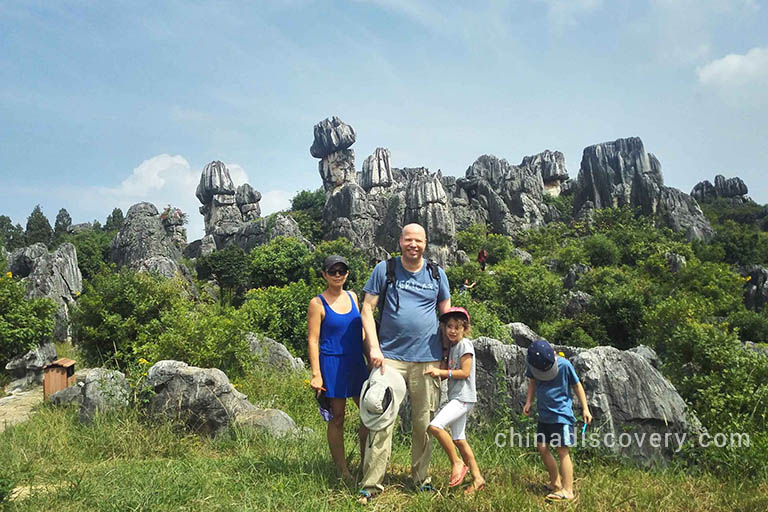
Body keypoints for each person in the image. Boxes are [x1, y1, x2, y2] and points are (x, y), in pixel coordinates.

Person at [357, 223, 451, 503]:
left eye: (418, 240)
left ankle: (421, 478)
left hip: (428, 359)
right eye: (409, 240)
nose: (413, 245)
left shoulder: (436, 273)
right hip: (390, 359)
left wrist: (447, 356)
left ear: (425, 243)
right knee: (380, 414)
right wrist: (373, 347)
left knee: (425, 423)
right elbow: (367, 308)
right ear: (400, 242)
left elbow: (446, 315)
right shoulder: (385, 269)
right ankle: (370, 485)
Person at [307, 255, 369, 485]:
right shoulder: (317, 303)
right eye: (332, 271)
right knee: (337, 418)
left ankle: (366, 462)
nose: (337, 275)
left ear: (347, 274)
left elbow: (361, 331)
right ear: (324, 274)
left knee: (369, 413)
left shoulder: (353, 296)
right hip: (332, 363)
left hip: (355, 362)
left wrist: (371, 355)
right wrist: (316, 373)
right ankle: (343, 470)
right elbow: (313, 340)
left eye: (341, 271)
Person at [424, 307, 485, 494]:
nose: (452, 330)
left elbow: (465, 372)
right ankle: (478, 478)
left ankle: (457, 462)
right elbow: (445, 373)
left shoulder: (465, 345)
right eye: (449, 327)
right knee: (459, 439)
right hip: (458, 397)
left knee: (434, 426)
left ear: (464, 329)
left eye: (457, 327)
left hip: (463, 397)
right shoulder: (451, 347)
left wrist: (441, 372)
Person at [523, 340, 592, 501]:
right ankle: (556, 483)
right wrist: (528, 401)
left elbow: (577, 386)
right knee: (542, 447)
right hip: (544, 415)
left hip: (561, 416)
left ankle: (568, 490)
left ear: (553, 355)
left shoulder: (565, 365)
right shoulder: (534, 365)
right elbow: (532, 382)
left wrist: (585, 408)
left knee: (562, 451)